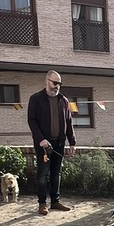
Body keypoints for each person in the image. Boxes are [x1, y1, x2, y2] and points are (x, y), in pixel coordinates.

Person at [28, 70, 77, 215]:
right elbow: (32, 121)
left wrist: (72, 142)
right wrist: (40, 139)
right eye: (55, 83)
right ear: (47, 81)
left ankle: (55, 201)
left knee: (56, 173)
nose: (57, 86)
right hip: (44, 144)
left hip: (59, 143)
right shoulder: (36, 98)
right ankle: (42, 203)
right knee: (43, 173)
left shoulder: (64, 100)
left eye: (59, 84)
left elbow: (69, 122)